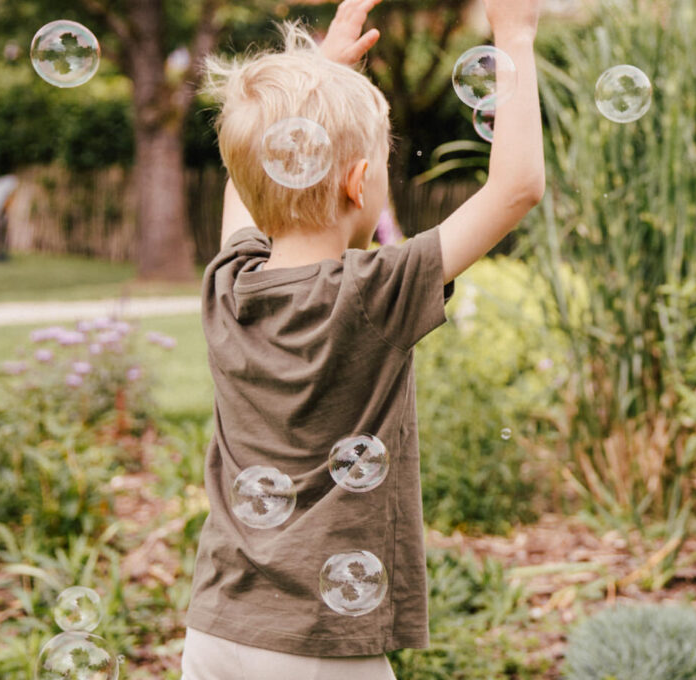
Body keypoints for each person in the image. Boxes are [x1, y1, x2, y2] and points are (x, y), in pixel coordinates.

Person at [180, 0, 543, 676]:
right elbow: (516, 189)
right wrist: (514, 33)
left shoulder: (228, 285)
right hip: (317, 644)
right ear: (358, 182)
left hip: (216, 630)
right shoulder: (373, 292)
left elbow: (248, 186)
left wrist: (318, 77)